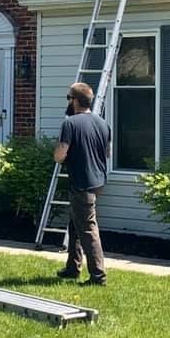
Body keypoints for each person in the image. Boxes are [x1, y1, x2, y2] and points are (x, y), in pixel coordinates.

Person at [53, 82, 111, 286]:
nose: (68, 102)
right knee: (75, 225)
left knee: (87, 228)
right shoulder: (102, 123)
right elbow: (107, 153)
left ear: (75, 101)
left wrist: (58, 153)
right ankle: (72, 268)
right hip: (98, 181)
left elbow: (60, 156)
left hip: (82, 182)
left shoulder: (70, 123)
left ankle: (98, 276)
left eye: (69, 98)